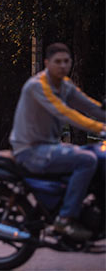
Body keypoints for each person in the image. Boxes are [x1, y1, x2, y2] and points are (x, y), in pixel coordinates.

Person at [10, 42, 106, 241]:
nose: (62, 65)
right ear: (47, 63)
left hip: (50, 147)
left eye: (66, 61)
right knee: (87, 160)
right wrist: (100, 128)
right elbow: (65, 112)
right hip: (30, 151)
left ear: (71, 62)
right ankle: (65, 218)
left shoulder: (65, 85)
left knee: (97, 152)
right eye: (57, 62)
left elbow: (90, 106)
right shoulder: (38, 86)